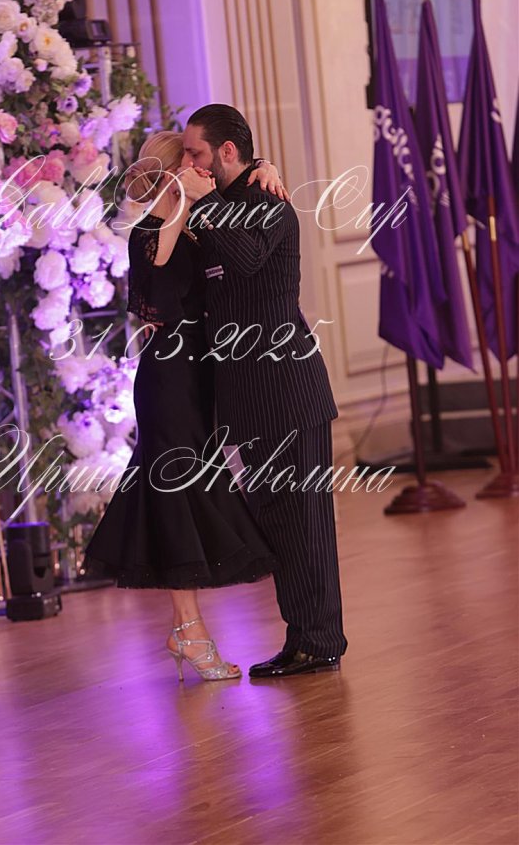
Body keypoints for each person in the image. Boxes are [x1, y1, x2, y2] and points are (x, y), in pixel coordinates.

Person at [83, 131, 284, 682]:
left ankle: (184, 630)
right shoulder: (152, 231)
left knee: (184, 493)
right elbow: (154, 298)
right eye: (191, 161)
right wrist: (177, 197)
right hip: (168, 378)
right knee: (175, 493)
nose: (203, 168)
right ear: (174, 172)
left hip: (203, 378)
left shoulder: (199, 223)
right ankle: (191, 631)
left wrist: (264, 166)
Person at [179, 103, 348, 678]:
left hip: (288, 392)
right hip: (253, 397)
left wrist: (205, 202)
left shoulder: (268, 201)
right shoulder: (222, 203)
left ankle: (319, 640)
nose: (190, 164)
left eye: (197, 153)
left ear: (227, 151)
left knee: (305, 523)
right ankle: (305, 637)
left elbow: (249, 259)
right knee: (279, 523)